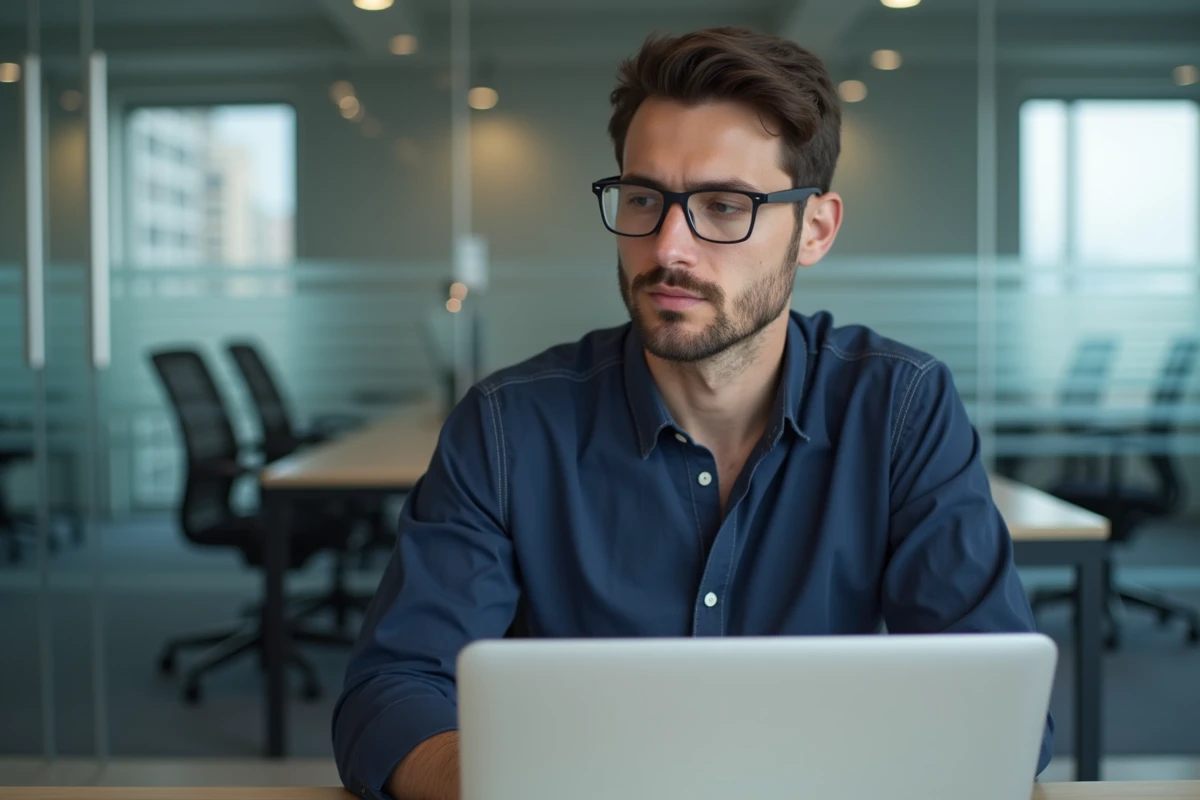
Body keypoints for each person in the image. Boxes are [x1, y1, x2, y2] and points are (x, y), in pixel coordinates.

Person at [332, 26, 1054, 800]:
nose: (669, 246)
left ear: (815, 229)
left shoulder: (901, 410)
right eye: (644, 198)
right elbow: (392, 695)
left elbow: (1000, 707)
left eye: (723, 206)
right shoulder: (508, 428)